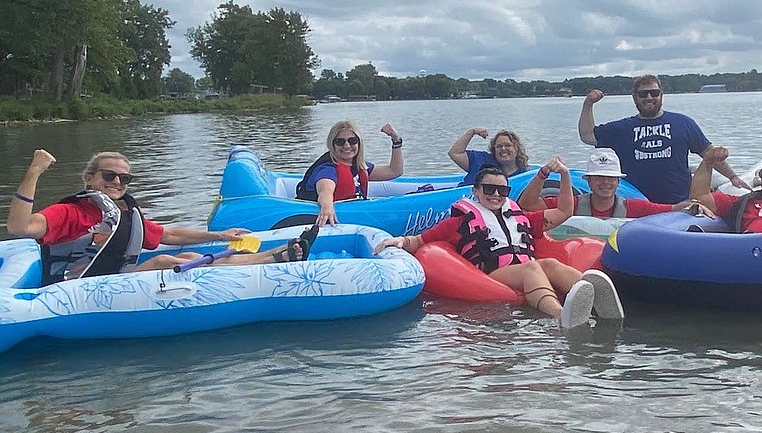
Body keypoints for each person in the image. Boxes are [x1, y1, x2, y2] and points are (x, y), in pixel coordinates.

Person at [374, 160, 623, 329]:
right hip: (494, 274)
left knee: (550, 263)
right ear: (476, 190)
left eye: (502, 190)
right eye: (489, 189)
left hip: (526, 267)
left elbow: (564, 211)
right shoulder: (459, 222)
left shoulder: (520, 215)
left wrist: (565, 175)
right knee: (533, 268)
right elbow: (419, 240)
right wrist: (398, 242)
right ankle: (561, 316)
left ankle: (596, 296)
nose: (495, 195)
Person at [6, 150, 318, 284]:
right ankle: (276, 258)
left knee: (192, 255)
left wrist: (220, 236)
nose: (117, 183)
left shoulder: (123, 213)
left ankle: (277, 255)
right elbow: (19, 227)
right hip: (71, 286)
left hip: (115, 280)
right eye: (109, 175)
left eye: (124, 179)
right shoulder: (70, 212)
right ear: (90, 178)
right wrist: (34, 172)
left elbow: (169, 235)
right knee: (168, 262)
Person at [578, 75, 748, 204]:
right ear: (635, 97)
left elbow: (708, 154)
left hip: (678, 204)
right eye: (643, 94)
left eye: (654, 93)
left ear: (661, 95)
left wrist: (733, 177)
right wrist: (588, 104)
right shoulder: (622, 128)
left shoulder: (683, 123)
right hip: (636, 203)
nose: (649, 97)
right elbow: (587, 136)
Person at [516, 148, 711, 219]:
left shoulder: (632, 207)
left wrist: (694, 205)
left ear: (618, 182)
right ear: (589, 181)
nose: (605, 183)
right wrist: (544, 173)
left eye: (610, 178)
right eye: (599, 177)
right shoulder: (571, 204)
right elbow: (528, 205)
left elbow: (672, 208)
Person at [297, 120, 404, 225]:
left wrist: (396, 140)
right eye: (340, 142)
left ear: (359, 143)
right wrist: (327, 207)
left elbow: (394, 171)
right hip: (317, 216)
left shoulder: (358, 166)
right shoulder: (328, 169)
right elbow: (325, 190)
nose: (347, 146)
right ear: (332, 144)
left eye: (352, 141)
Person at [448, 128, 532, 187]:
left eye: (508, 145)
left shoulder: (525, 174)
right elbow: (455, 153)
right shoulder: (482, 159)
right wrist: (472, 132)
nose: (503, 149)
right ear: (494, 150)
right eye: (499, 146)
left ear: (517, 148)